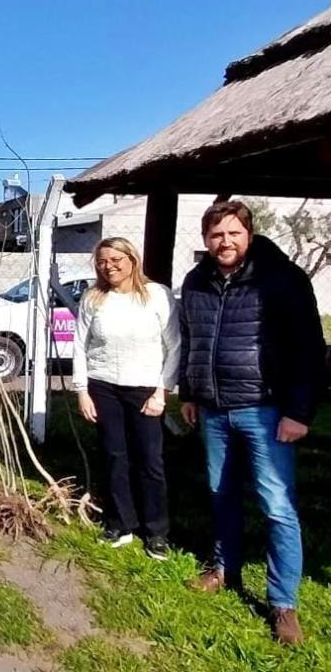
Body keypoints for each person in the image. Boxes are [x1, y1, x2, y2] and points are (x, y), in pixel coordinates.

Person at [179, 200, 324, 645]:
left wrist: (299, 412)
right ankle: (225, 569)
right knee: (221, 494)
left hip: (266, 409)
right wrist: (189, 392)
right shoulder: (196, 280)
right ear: (206, 239)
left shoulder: (282, 279)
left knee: (277, 507)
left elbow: (309, 349)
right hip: (214, 410)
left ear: (249, 233)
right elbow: (191, 340)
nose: (224, 242)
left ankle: (283, 603)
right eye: (216, 235)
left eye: (233, 234)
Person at [73, 236, 180, 561]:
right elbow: (80, 345)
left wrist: (163, 390)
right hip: (104, 386)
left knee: (149, 460)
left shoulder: (157, 296)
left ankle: (156, 531)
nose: (109, 266)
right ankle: (120, 523)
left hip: (146, 388)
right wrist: (82, 391)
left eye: (116, 259)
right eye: (103, 261)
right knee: (114, 456)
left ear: (132, 260)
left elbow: (174, 346)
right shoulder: (93, 298)